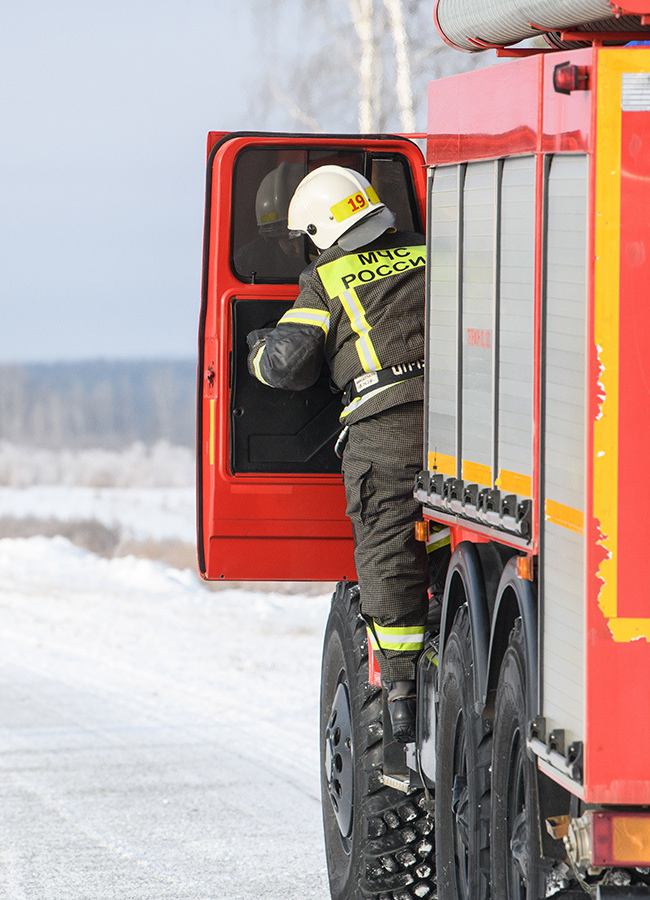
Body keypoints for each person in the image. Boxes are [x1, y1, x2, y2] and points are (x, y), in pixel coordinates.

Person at [246, 165, 428, 742]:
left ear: (322, 230)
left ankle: (402, 702)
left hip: (388, 425)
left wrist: (254, 349)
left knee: (388, 550)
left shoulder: (327, 274)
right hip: (465, 419)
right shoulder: (431, 250)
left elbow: (287, 362)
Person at [233, 160, 310, 282]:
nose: (298, 249)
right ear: (272, 239)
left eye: (303, 236)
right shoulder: (247, 264)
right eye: (288, 239)